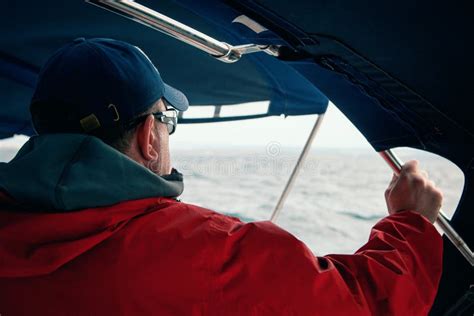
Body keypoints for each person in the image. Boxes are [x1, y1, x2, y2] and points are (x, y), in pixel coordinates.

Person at [0, 38, 443, 316]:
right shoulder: (209, 254)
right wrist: (411, 224)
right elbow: (365, 305)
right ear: (148, 136)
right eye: (167, 119)